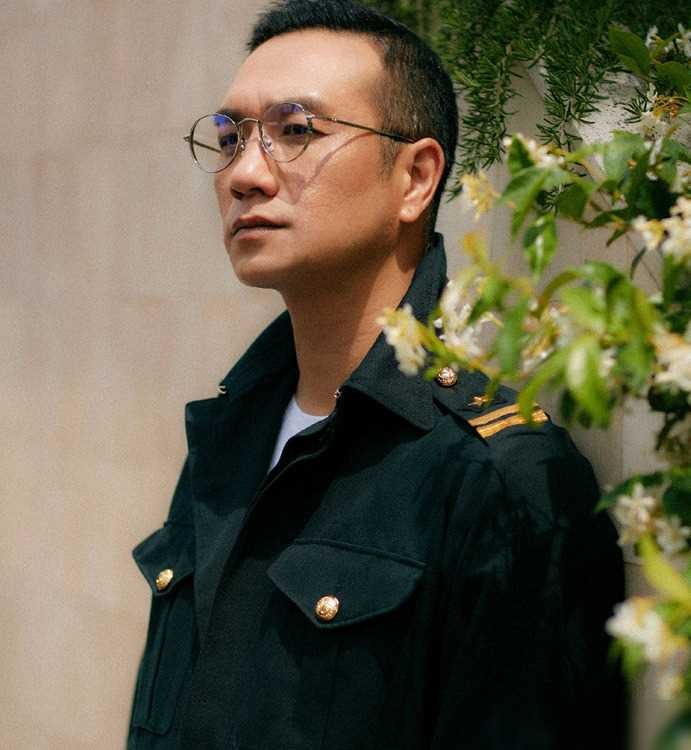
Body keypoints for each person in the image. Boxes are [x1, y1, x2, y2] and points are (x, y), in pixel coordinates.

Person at [127, 1, 628, 748]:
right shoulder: (228, 434)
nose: (245, 175)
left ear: (416, 177)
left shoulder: (498, 477)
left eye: (296, 131)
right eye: (230, 138)